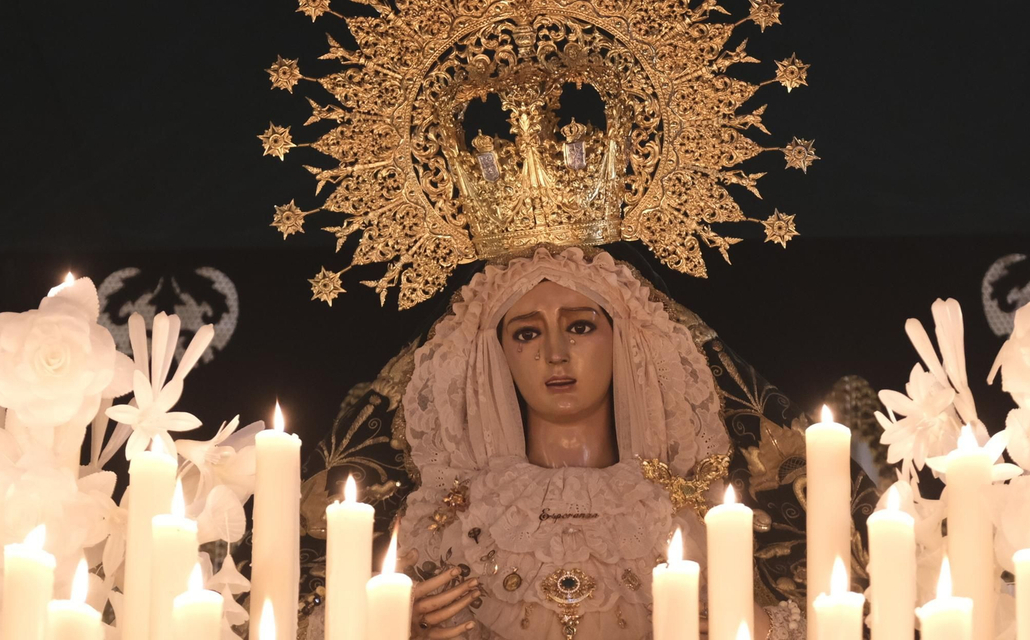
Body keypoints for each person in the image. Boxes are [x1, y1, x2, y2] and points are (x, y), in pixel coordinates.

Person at [298, 245, 879, 640]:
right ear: (491, 359)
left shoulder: (700, 519)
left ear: (626, 340)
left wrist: (749, 625)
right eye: (526, 333)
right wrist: (390, 625)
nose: (555, 354)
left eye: (579, 326)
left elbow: (833, 617)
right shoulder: (447, 521)